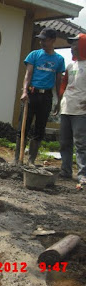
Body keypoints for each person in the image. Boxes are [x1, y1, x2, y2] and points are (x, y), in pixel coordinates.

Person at [14, 28, 65, 166]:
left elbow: (58, 82)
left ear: (53, 40)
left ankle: (31, 160)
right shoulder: (34, 55)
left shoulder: (59, 60)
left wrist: (58, 101)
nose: (41, 41)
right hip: (31, 94)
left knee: (39, 129)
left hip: (46, 97)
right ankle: (18, 159)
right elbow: (28, 75)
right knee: (23, 127)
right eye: (40, 39)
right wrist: (25, 91)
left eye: (45, 39)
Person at [54, 33, 86, 184]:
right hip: (66, 108)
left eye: (75, 45)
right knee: (64, 142)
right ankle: (66, 170)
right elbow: (63, 85)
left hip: (81, 111)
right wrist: (59, 101)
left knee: (81, 143)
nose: (72, 48)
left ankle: (82, 174)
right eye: (72, 45)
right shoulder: (70, 66)